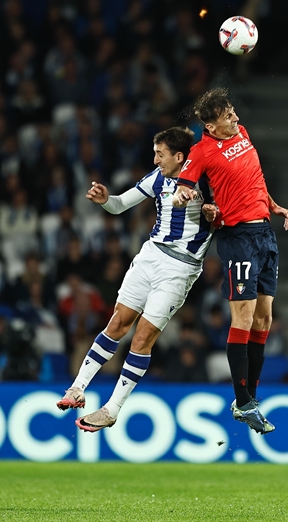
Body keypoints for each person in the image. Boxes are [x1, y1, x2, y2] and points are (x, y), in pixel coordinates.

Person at [56, 127, 217, 433]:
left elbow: (221, 216)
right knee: (117, 323)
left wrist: (212, 215)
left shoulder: (206, 180)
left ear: (179, 156)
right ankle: (77, 388)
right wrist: (106, 200)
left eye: (160, 154)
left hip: (180, 268)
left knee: (142, 337)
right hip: (150, 256)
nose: (155, 159)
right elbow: (119, 205)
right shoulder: (158, 178)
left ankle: (112, 409)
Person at [173, 87, 288, 434]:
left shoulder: (241, 134)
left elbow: (253, 178)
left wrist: (273, 205)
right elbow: (185, 185)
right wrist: (186, 194)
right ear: (211, 126)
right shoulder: (201, 152)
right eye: (229, 116)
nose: (236, 119)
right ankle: (242, 400)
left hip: (265, 235)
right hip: (237, 237)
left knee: (264, 319)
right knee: (242, 318)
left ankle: (250, 400)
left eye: (233, 113)